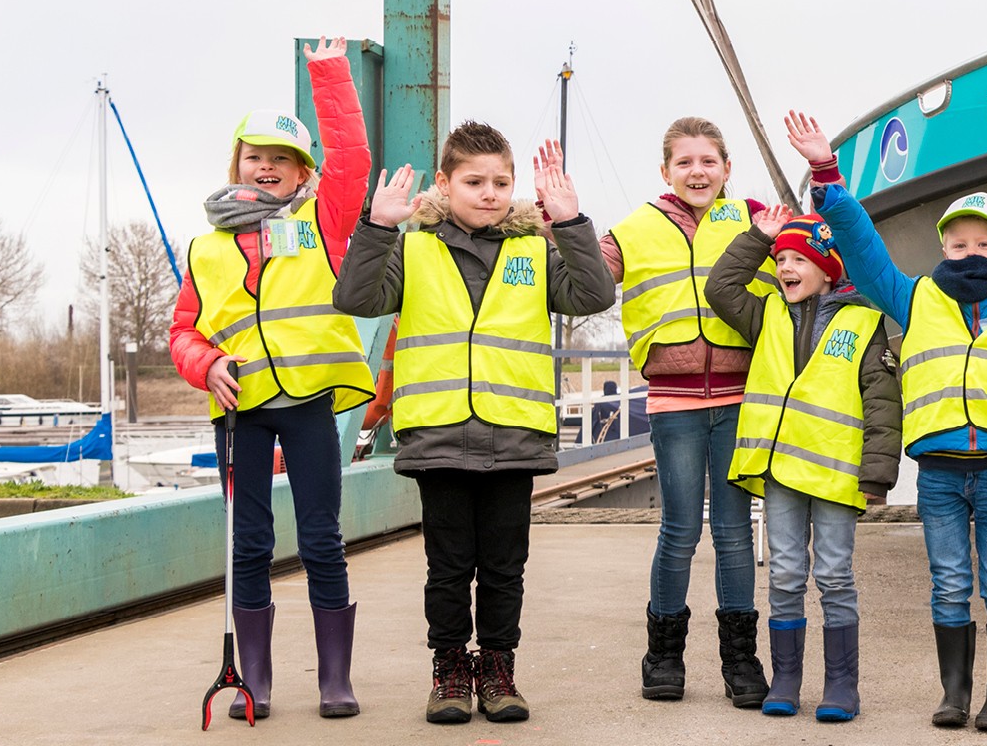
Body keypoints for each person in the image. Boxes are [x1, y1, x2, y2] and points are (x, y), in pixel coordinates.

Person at [794, 109, 987, 733]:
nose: (971, 252)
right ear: (943, 248)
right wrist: (826, 175)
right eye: (960, 243)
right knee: (948, 584)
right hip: (937, 472)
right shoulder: (914, 297)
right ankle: (954, 693)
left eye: (985, 244)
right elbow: (862, 248)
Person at [334, 124, 616, 724]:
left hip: (514, 435)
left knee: (504, 567)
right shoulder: (412, 248)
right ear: (445, 183)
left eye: (501, 182)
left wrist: (570, 222)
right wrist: (378, 225)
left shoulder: (534, 250)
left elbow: (593, 296)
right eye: (474, 182)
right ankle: (449, 672)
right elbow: (356, 299)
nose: (489, 193)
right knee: (449, 566)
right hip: (437, 436)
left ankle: (497, 668)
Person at [166, 36, 376, 720]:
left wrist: (328, 73)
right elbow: (183, 333)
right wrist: (209, 363)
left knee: (322, 538)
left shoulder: (325, 218)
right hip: (241, 411)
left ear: (300, 172)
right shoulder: (205, 246)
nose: (265, 169)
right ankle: (254, 680)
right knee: (248, 543)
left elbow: (354, 158)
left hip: (310, 405)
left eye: (280, 160)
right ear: (237, 164)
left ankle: (334, 681)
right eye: (255, 157)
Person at [704, 203, 901, 723]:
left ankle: (841, 684)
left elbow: (882, 402)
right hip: (782, 471)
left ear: (828, 266)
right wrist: (758, 236)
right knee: (787, 573)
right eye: (780, 259)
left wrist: (878, 472)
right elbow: (721, 288)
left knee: (834, 576)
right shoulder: (765, 311)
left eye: (798, 258)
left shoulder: (864, 323)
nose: (785, 268)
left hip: (836, 476)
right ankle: (787, 677)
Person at [601, 117, 775, 706]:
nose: (697, 172)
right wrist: (559, 224)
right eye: (685, 163)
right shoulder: (634, 229)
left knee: (732, 531)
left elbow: (814, 267)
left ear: (727, 168)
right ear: (665, 171)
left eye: (709, 161)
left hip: (740, 396)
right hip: (673, 402)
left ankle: (740, 659)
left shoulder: (757, 219)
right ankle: (663, 655)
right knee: (678, 531)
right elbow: (585, 280)